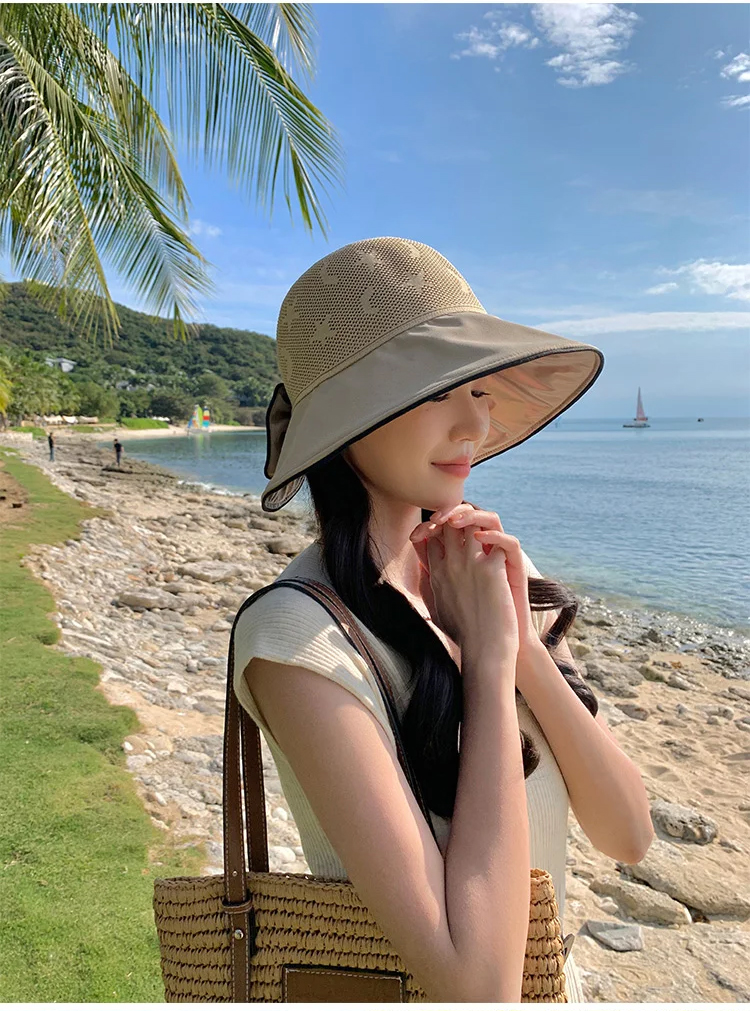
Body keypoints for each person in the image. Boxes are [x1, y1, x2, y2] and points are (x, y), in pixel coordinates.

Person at [233, 238, 653, 1002]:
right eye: (435, 391)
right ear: (345, 418)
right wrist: (487, 664)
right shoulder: (300, 639)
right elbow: (477, 984)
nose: (474, 424)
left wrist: (521, 648)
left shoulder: (479, 572)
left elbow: (627, 832)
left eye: (481, 389)